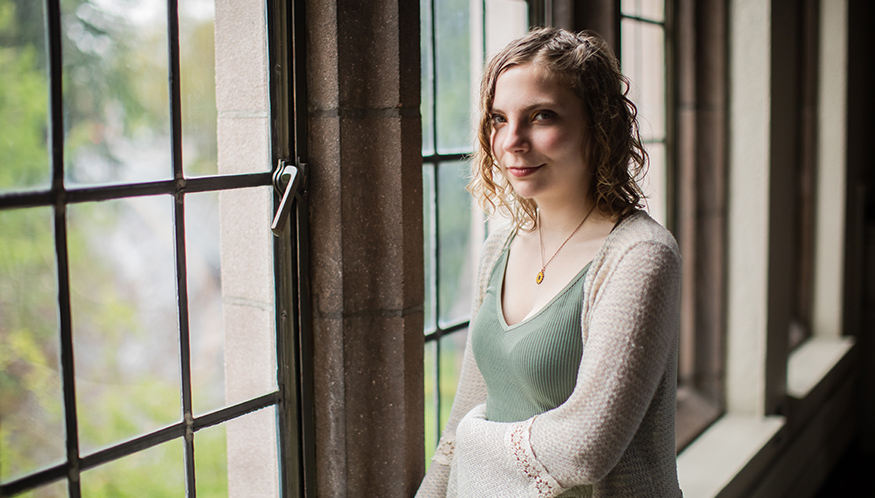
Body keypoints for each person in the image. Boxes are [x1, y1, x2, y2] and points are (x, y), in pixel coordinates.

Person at [415, 27, 682, 498]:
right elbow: (467, 412)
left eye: (541, 116)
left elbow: (586, 448)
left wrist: (476, 438)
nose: (512, 141)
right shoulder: (500, 247)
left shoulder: (641, 256)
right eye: (498, 118)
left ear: (599, 124)